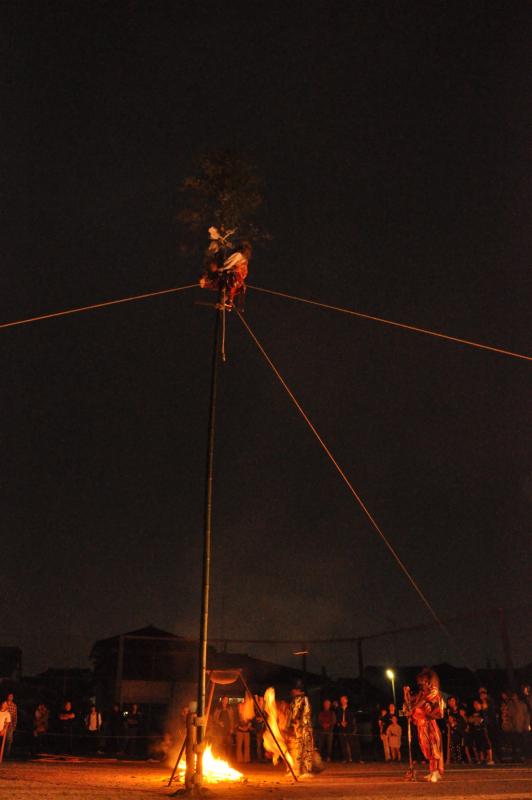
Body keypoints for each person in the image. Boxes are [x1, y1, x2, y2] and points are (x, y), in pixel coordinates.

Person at [404, 668, 444, 783]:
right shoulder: (422, 693)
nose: (421, 684)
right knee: (426, 750)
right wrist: (406, 693)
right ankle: (432, 771)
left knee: (433, 748)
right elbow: (411, 702)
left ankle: (435, 772)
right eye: (420, 682)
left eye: (423, 681)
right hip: (421, 726)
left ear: (428, 681)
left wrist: (413, 709)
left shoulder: (434, 691)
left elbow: (421, 703)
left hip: (429, 725)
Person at [286, 680, 313, 778]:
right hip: (297, 728)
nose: (292, 692)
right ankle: (297, 770)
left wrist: (298, 722)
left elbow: (303, 713)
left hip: (305, 728)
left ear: (299, 690)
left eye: (294, 690)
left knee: (306, 749)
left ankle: (307, 770)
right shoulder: (294, 701)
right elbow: (291, 714)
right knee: (297, 749)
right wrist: (290, 725)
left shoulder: (304, 699)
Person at [336, 695, 362, 763]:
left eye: (343, 699)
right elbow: (338, 718)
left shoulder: (350, 709)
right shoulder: (339, 709)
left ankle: (356, 759)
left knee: (352, 744)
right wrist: (340, 723)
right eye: (341, 700)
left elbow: (352, 718)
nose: (342, 701)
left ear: (346, 700)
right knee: (343, 744)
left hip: (349, 728)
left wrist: (347, 723)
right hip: (341, 728)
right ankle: (346, 758)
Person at [4, 693, 17, 757]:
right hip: (3, 725)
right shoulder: (4, 704)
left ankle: (7, 754)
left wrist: (14, 725)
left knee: (9, 740)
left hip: (10, 725)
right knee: (2, 739)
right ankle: (2, 752)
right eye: (9, 696)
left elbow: (15, 716)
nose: (10, 697)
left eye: (12, 696)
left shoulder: (14, 705)